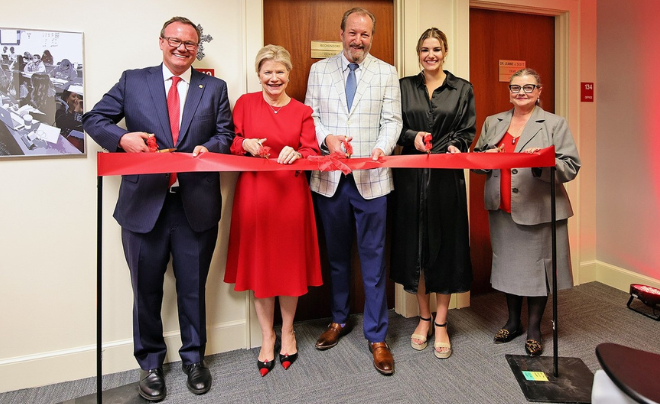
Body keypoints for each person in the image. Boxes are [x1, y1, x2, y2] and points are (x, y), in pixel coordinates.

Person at [82, 16, 234, 401]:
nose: (182, 48)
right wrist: (122, 138)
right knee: (145, 291)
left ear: (197, 49)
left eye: (190, 44)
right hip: (143, 206)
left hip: (195, 205)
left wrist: (211, 149)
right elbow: (93, 119)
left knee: (192, 288)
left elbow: (225, 134)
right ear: (162, 41)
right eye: (175, 41)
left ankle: (193, 359)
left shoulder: (213, 87)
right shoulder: (134, 80)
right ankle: (149, 363)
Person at [304, 7, 402, 375]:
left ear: (371, 37)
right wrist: (325, 137)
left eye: (365, 34)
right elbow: (310, 116)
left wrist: (382, 149)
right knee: (337, 257)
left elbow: (393, 121)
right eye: (352, 32)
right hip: (330, 182)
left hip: (372, 181)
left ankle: (377, 337)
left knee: (374, 260)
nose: (358, 40)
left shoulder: (386, 72)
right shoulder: (319, 70)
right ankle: (339, 320)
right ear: (341, 32)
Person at [224, 44, 322, 377]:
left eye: (280, 72)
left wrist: (298, 154)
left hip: (291, 197)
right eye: (268, 71)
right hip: (254, 195)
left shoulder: (302, 111)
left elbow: (310, 150)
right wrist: (245, 144)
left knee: (288, 267)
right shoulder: (245, 104)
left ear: (289, 75)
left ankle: (289, 331)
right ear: (259, 74)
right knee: (261, 266)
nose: (274, 78)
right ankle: (268, 336)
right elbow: (230, 141)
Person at [473, 68, 580, 356]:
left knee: (537, 271)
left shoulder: (555, 124)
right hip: (502, 209)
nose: (521, 92)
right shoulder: (493, 122)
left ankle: (533, 328)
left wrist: (541, 163)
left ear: (540, 90)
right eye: (516, 87)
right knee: (509, 268)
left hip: (539, 210)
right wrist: (487, 159)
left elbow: (570, 166)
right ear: (509, 91)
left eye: (528, 87)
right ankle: (512, 321)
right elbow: (477, 161)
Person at [390, 28, 475, 359]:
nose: (430, 55)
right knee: (417, 252)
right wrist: (412, 136)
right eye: (425, 49)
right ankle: (423, 318)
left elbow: (467, 130)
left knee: (445, 249)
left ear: (445, 52)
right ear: (418, 52)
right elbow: (393, 125)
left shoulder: (462, 88)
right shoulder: (402, 87)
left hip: (446, 180)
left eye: (436, 49)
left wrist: (456, 145)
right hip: (410, 179)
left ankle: (442, 322)